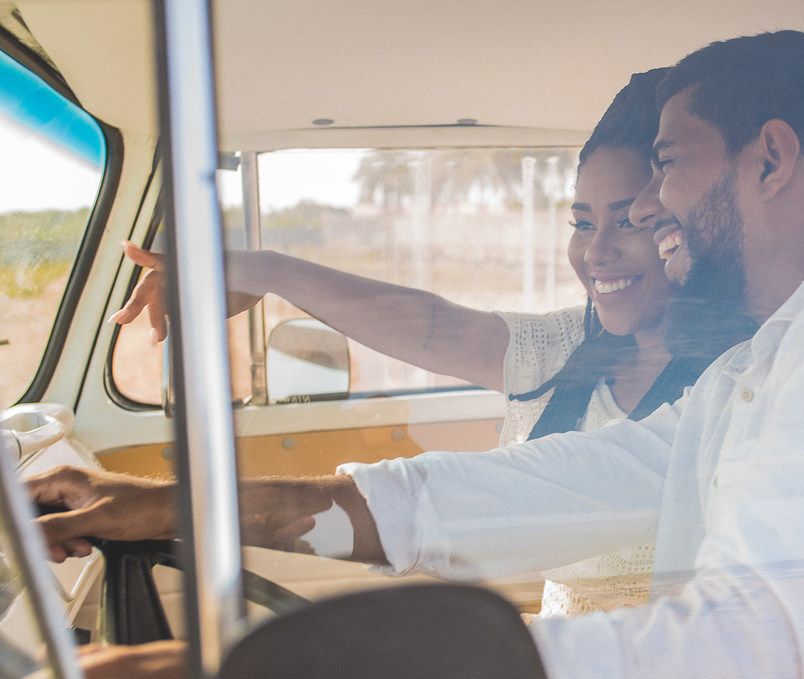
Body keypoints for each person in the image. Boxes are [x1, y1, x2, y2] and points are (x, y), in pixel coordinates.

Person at [22, 30, 804, 679]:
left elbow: (751, 662)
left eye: (667, 164)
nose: (650, 208)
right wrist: (166, 508)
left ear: (770, 158)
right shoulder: (772, 358)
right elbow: (540, 488)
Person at [107, 69, 756, 616]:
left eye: (633, 221)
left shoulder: (741, 378)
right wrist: (267, 270)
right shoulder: (563, 347)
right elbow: (435, 326)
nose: (597, 251)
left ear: (685, 222)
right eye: (582, 223)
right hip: (562, 656)